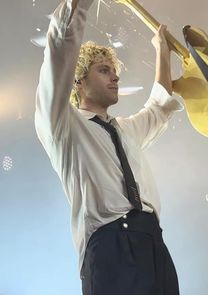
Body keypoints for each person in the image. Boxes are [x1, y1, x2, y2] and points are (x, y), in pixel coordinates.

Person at [35, 0, 184, 294]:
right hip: (109, 247)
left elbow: (160, 106)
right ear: (77, 82)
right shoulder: (62, 125)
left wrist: (161, 51)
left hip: (153, 243)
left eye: (114, 71)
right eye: (104, 70)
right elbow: (59, 48)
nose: (115, 77)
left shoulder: (125, 130)